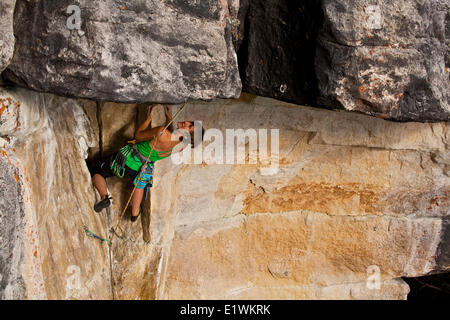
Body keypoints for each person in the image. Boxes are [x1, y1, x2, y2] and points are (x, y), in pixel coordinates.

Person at [89, 104, 198, 221]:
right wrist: (169, 118)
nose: (186, 122)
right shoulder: (181, 146)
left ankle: (105, 197)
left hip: (128, 160)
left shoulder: (162, 131)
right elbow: (172, 136)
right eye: (190, 122)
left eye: (189, 126)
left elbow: (138, 135)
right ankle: (134, 214)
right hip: (143, 168)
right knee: (139, 186)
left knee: (97, 171)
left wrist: (147, 120)